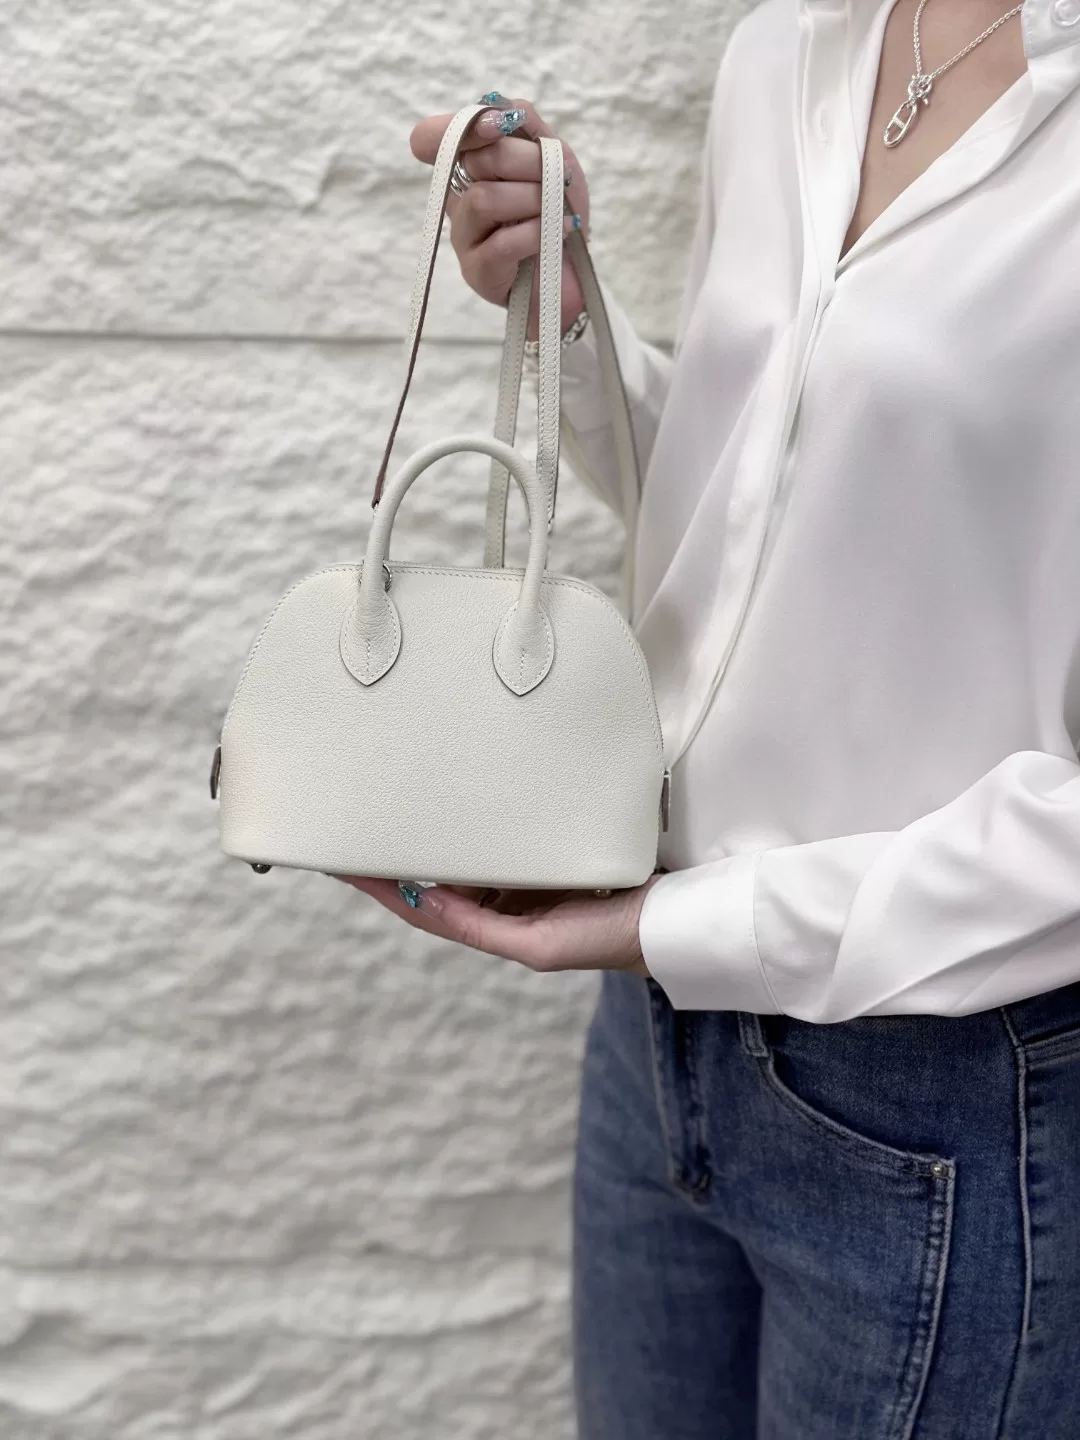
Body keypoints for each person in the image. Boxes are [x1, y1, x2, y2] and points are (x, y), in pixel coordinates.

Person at [336, 1, 1080, 1434]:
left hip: (943, 1094)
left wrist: (679, 924)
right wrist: (567, 316)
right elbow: (746, 504)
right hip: (655, 1038)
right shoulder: (787, 49)